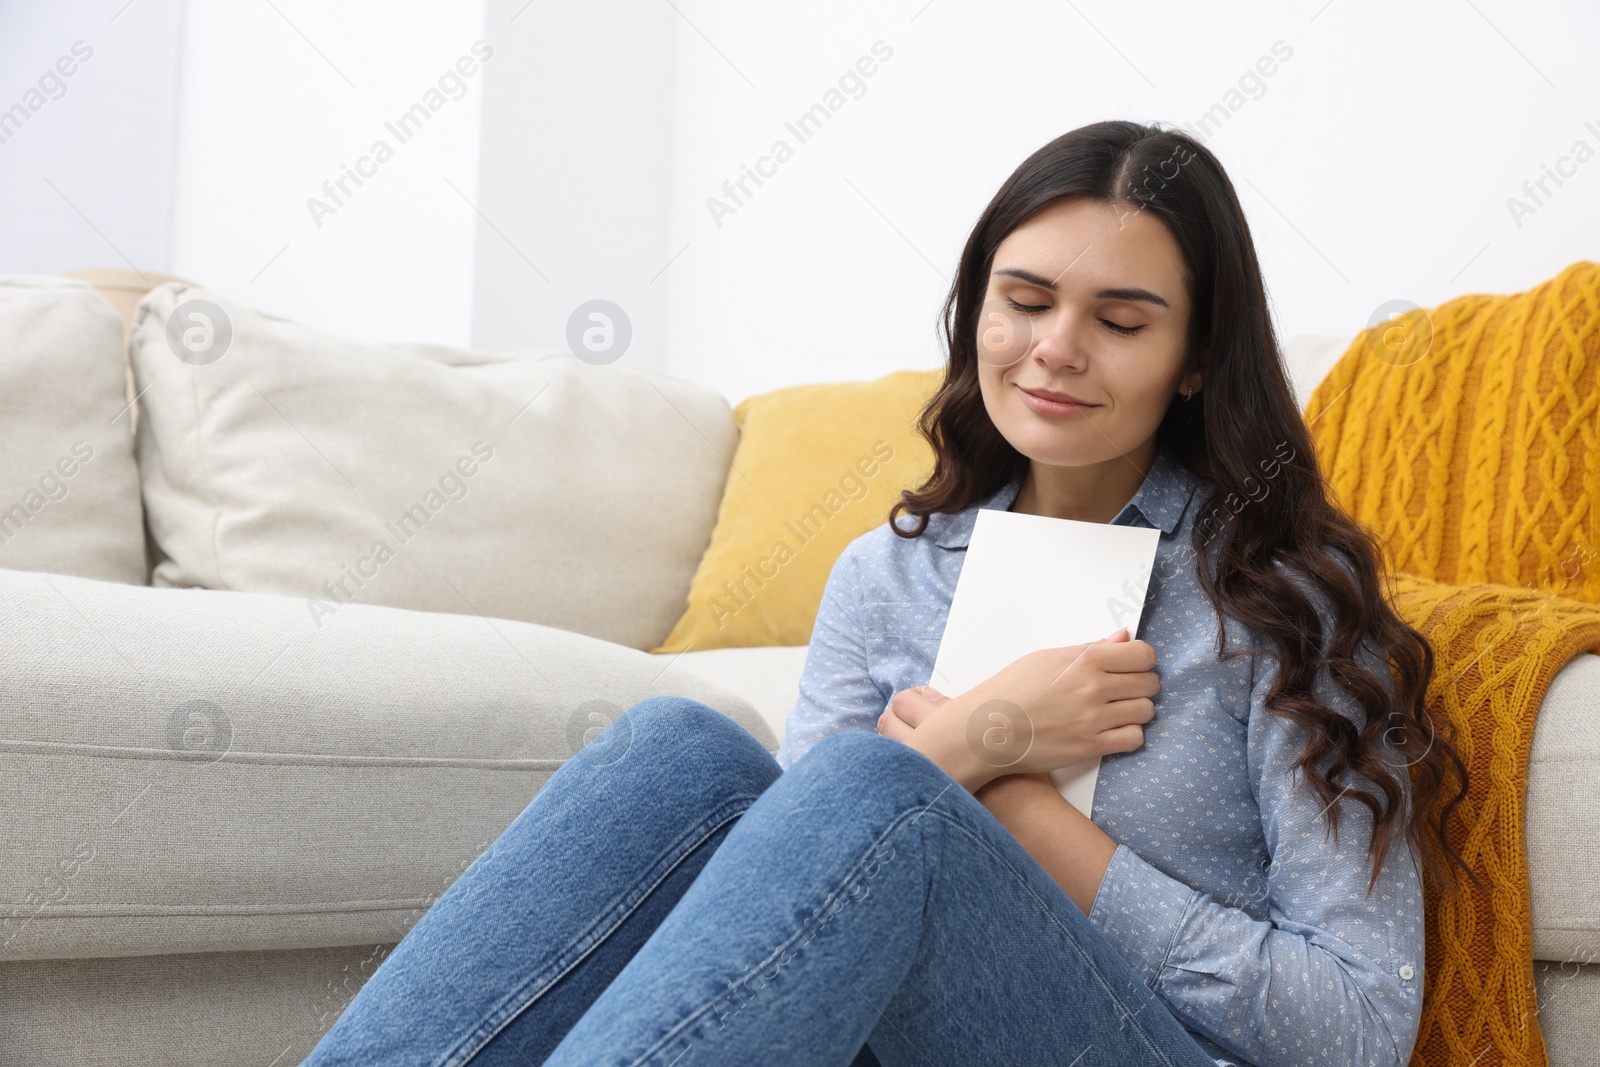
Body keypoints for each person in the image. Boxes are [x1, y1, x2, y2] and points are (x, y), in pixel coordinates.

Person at [298, 119, 1476, 1067]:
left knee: (876, 781)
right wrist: (969, 739)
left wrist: (1021, 812)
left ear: (1197, 357)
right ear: (975, 313)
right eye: (1024, 301)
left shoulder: (1282, 598)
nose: (1056, 348)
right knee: (676, 747)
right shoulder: (888, 573)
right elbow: (781, 913)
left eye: (1119, 321)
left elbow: (1359, 1024)